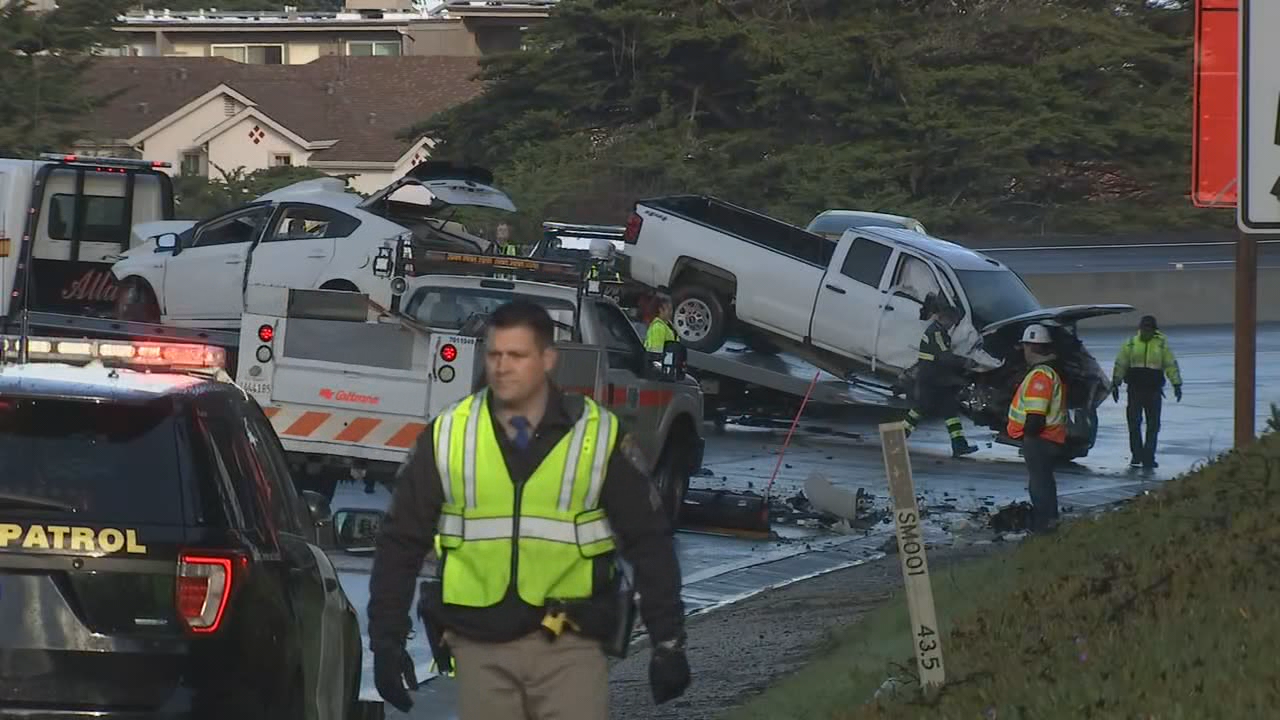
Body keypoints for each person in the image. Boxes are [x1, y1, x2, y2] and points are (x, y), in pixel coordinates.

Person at [366, 300, 691, 720]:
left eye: (517, 355)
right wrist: (386, 641)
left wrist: (668, 641)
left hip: (570, 642)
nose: (502, 367)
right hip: (479, 645)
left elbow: (649, 540)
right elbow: (400, 542)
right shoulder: (450, 434)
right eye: (495, 354)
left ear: (548, 360)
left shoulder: (595, 436)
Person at [1007, 323, 1068, 533]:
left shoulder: (1040, 376)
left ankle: (1045, 527)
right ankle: (1049, 522)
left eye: (1025, 346)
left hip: (1040, 439)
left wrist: (1027, 436)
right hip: (1048, 439)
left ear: (1030, 347)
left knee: (1039, 485)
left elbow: (1035, 418)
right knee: (1044, 482)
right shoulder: (1048, 372)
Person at [903, 298, 979, 457]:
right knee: (920, 409)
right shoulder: (936, 333)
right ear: (944, 318)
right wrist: (965, 362)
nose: (952, 325)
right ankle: (899, 438)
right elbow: (944, 356)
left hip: (935, 376)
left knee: (950, 410)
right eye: (952, 321)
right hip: (931, 377)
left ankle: (959, 445)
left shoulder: (939, 332)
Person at [1111, 314, 1182, 470]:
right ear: (1140, 328)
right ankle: (1137, 455)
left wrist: (1176, 383)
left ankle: (1148, 456)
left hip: (1153, 390)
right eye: (1144, 328)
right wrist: (1115, 382)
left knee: (1153, 425)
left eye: (1149, 328)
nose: (1146, 331)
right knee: (1134, 423)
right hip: (1135, 390)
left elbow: (1170, 365)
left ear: (1154, 330)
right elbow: (1121, 364)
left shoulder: (1162, 345)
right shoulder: (1130, 344)